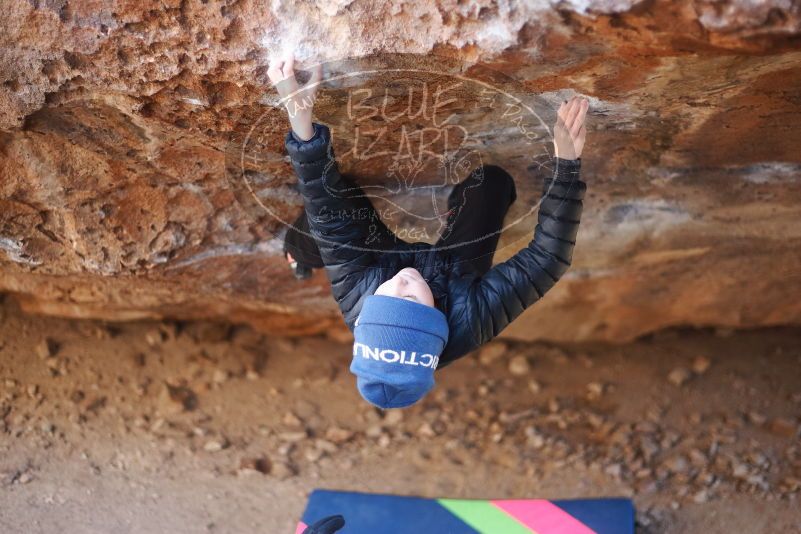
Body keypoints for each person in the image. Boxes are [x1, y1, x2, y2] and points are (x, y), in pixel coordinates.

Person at [267, 54, 588, 409]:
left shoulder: (361, 292)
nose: (402, 283)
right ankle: (457, 209)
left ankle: (299, 251)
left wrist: (300, 118)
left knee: (333, 207)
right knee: (492, 184)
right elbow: (549, 259)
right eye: (409, 301)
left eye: (386, 299)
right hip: (454, 272)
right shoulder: (471, 318)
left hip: (378, 259)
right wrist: (567, 165)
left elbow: (324, 206)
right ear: (437, 319)